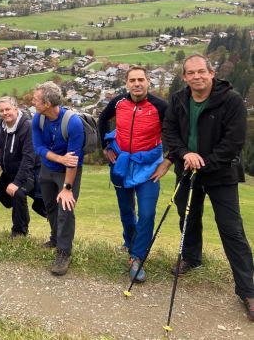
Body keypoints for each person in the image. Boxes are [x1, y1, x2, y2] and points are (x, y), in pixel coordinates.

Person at [162, 54, 254, 321]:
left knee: (232, 229)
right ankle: (191, 257)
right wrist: (184, 154)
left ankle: (248, 290)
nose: (196, 77)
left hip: (221, 173)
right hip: (186, 170)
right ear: (184, 77)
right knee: (188, 218)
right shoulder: (179, 99)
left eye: (201, 71)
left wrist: (204, 163)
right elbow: (170, 132)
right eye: (191, 73)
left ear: (211, 73)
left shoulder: (231, 101)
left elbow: (233, 142)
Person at [98, 66, 171, 283]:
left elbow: (177, 134)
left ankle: (137, 257)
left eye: (141, 79)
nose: (137, 84)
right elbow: (102, 120)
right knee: (126, 211)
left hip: (149, 166)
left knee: (147, 213)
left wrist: (168, 161)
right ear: (127, 83)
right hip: (121, 164)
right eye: (132, 80)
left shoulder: (161, 106)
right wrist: (105, 146)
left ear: (148, 81)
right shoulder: (118, 102)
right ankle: (131, 245)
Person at [31, 81, 84, 276]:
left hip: (68, 173)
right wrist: (59, 158)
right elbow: (38, 148)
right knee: (50, 207)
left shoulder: (73, 123)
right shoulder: (38, 118)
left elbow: (73, 161)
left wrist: (68, 188)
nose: (32, 102)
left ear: (46, 103)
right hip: (48, 169)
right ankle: (55, 238)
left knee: (65, 210)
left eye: (36, 100)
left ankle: (63, 252)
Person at [0, 96, 38, 238]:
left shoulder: (27, 127)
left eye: (8, 109)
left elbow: (28, 158)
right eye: (1, 110)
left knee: (18, 193)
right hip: (9, 171)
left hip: (29, 171)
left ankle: (19, 232)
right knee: (0, 193)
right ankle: (20, 221)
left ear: (16, 109)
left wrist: (16, 183)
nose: (5, 113)